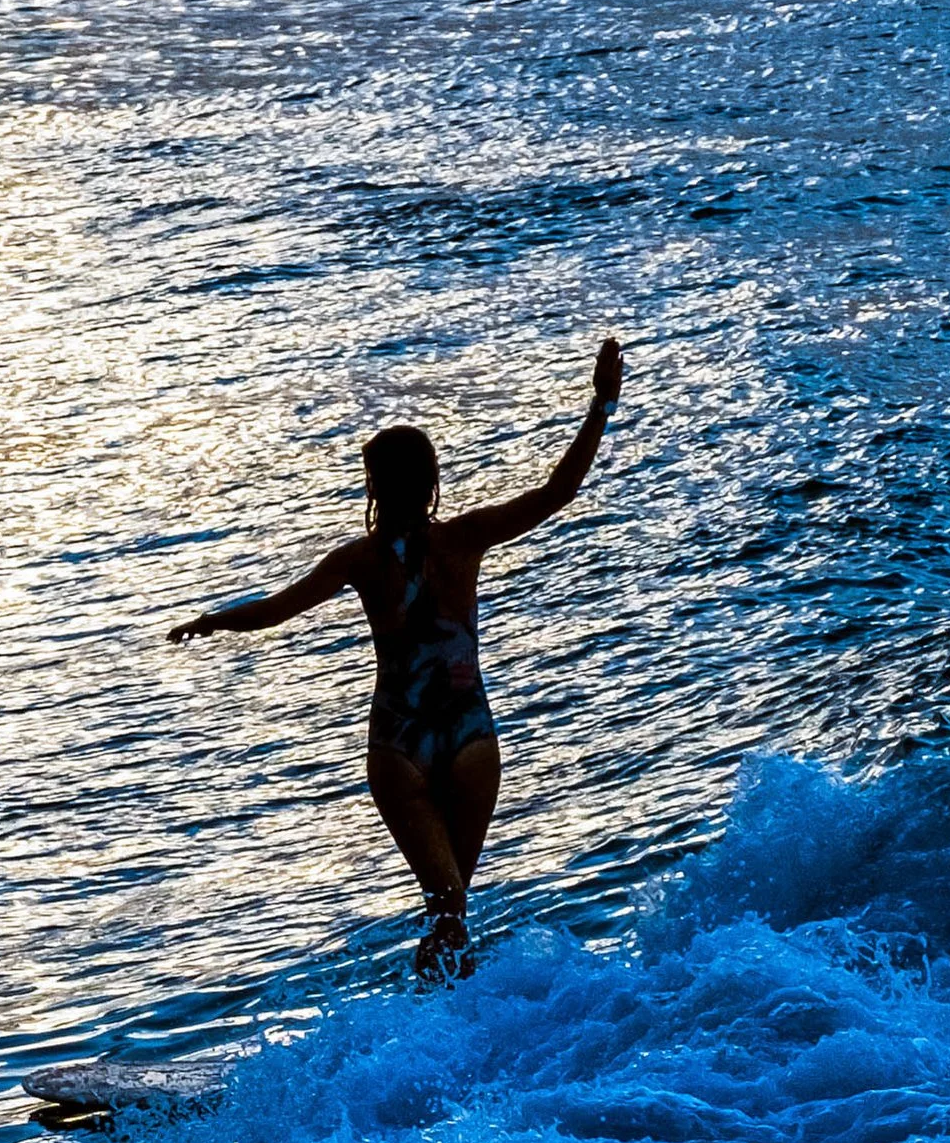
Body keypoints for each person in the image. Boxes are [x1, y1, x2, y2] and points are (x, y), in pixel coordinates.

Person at [168, 337, 626, 977]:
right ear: (434, 482)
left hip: (401, 743)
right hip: (465, 735)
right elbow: (559, 490)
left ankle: (437, 1018)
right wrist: (601, 406)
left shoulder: (364, 558)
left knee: (448, 909)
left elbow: (275, 609)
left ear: (373, 487)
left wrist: (213, 620)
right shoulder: (461, 538)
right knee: (450, 907)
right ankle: (448, 1017)